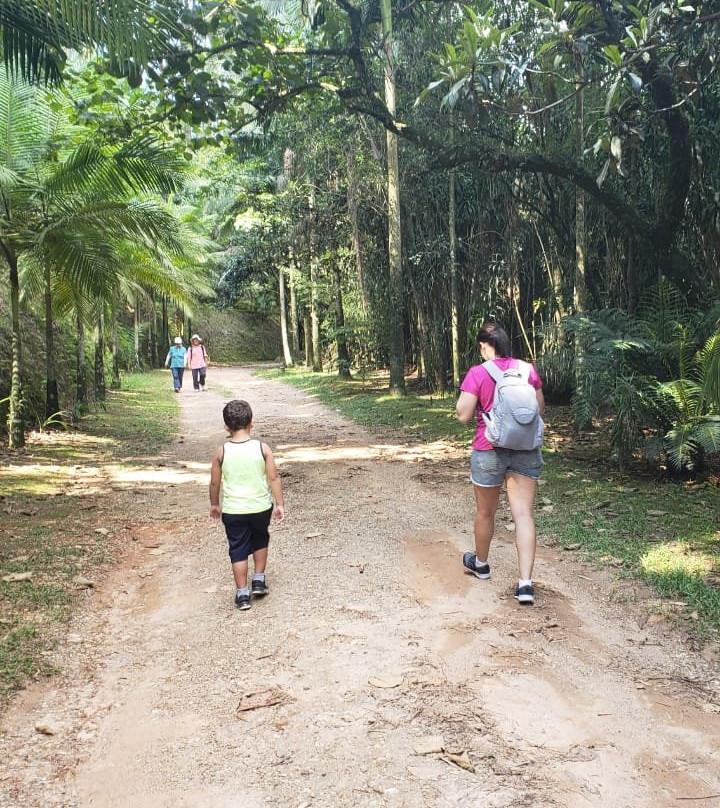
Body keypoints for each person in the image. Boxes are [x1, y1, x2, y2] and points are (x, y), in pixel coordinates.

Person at [455, 322, 545, 605]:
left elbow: (463, 415)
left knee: (485, 513)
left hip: (489, 449)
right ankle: (525, 584)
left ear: (484, 345)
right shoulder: (527, 370)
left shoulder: (478, 373)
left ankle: (481, 564)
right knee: (524, 514)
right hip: (526, 448)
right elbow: (539, 408)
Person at [209, 399, 285, 611]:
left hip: (234, 510)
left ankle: (242, 594)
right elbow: (274, 477)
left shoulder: (221, 452)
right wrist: (279, 504)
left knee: (238, 548)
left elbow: (214, 482)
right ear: (252, 422)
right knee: (260, 538)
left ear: (226, 427)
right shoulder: (262, 448)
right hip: (260, 507)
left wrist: (214, 504)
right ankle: (258, 580)